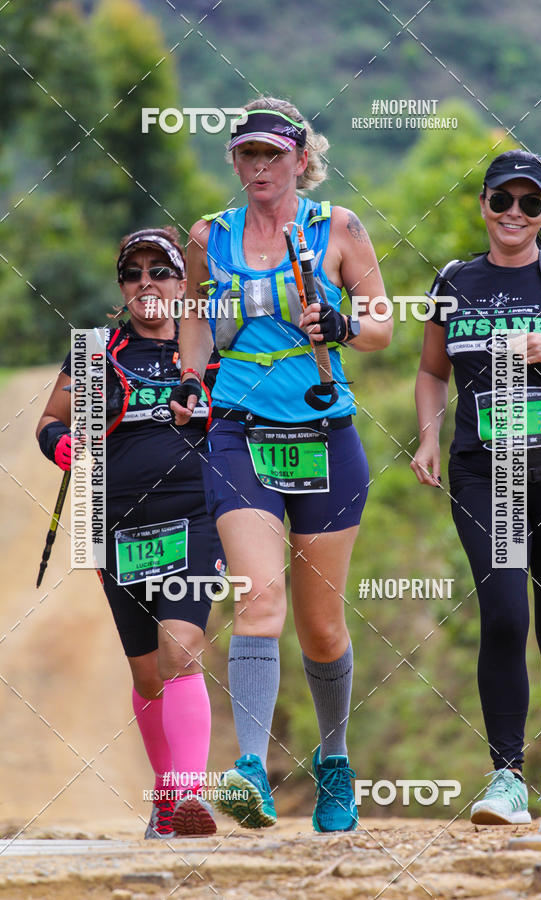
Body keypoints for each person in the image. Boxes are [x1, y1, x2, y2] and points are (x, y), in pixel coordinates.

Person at [170, 97, 392, 833]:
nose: (260, 167)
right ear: (233, 161)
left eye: (274, 154)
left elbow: (384, 326)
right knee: (258, 598)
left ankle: (334, 764)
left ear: (301, 158)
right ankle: (251, 773)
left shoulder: (338, 229)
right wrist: (191, 379)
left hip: (327, 435)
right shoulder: (210, 237)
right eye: (247, 155)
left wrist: (343, 322)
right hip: (240, 434)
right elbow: (197, 317)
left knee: (322, 628)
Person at [411, 149, 541, 833]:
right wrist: (427, 437)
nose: (514, 213)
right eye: (503, 200)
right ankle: (505, 778)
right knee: (503, 615)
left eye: (530, 203)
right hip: (486, 471)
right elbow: (433, 373)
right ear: (484, 205)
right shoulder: (454, 281)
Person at [36, 227, 224, 839]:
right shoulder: (94, 351)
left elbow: (244, 419)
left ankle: (188, 796)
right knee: (147, 673)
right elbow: (49, 421)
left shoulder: (208, 348)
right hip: (111, 522)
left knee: (181, 651)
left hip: (195, 514)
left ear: (181, 281)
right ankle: (165, 804)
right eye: (134, 272)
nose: (147, 281)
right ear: (122, 287)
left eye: (161, 270)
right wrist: (60, 445)